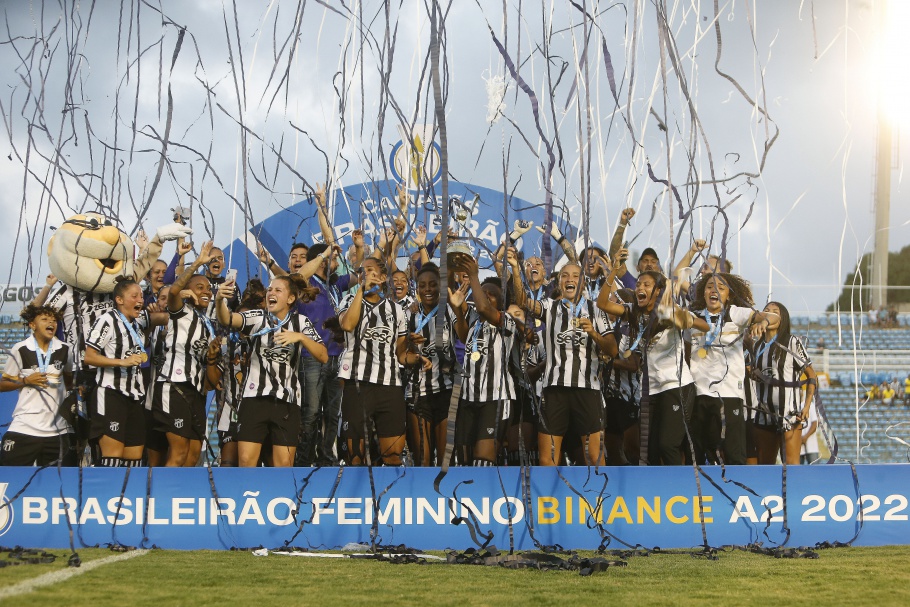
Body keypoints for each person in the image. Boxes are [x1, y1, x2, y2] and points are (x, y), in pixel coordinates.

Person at [214, 274, 327, 467]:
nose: (271, 293)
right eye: (270, 289)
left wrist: (300, 338)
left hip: (288, 402)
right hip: (254, 398)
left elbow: (323, 355)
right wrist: (219, 300)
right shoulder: (258, 317)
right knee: (246, 462)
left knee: (283, 465)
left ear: (291, 299)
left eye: (277, 290)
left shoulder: (301, 322)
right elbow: (228, 319)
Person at [598, 269, 708, 465]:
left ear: (658, 291)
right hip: (650, 390)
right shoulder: (634, 312)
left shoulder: (669, 311)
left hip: (677, 386)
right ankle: (656, 492)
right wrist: (613, 272)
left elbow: (705, 325)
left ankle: (678, 489)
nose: (640, 287)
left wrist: (687, 319)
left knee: (668, 445)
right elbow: (602, 304)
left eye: (646, 285)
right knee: (651, 450)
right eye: (638, 284)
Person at [521, 259, 615, 467]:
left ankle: (601, 499)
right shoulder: (549, 307)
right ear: (559, 283)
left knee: (594, 456)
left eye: (575, 275)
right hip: (554, 390)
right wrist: (512, 267)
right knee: (547, 458)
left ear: (582, 282)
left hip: (587, 390)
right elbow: (522, 300)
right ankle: (548, 500)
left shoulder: (596, 310)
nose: (570, 279)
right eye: (565, 276)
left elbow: (613, 349)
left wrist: (593, 333)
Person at [686, 273, 777, 465]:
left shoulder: (736, 313)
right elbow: (686, 353)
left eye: (721, 287)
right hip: (698, 392)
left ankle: (736, 494)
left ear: (729, 295)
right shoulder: (693, 318)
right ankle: (701, 493)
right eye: (710, 286)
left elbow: (773, 317)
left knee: (733, 452)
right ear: (703, 292)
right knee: (701, 452)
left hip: (728, 393)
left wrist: (763, 322)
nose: (715, 290)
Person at [337, 257, 414, 466]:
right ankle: (357, 498)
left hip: (390, 385)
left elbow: (400, 353)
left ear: (382, 278)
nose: (366, 274)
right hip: (357, 383)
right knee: (355, 455)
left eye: (371, 271)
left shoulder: (396, 310)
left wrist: (416, 357)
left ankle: (390, 497)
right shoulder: (348, 301)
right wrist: (360, 290)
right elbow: (347, 325)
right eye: (363, 271)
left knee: (393, 454)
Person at [84, 279, 169, 467]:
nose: (140, 299)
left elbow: (167, 317)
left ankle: (129, 496)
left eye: (141, 296)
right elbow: (89, 357)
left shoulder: (138, 322)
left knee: (134, 461)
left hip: (134, 398)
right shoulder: (107, 319)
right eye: (135, 296)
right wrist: (122, 362)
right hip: (111, 393)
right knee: (112, 459)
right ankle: (107, 496)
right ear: (119, 300)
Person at [153, 242, 222, 467]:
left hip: (197, 393)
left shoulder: (208, 326)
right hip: (174, 385)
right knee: (179, 451)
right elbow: (173, 291)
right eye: (200, 287)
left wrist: (212, 356)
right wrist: (197, 264)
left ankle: (182, 499)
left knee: (193, 455)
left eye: (209, 290)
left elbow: (212, 382)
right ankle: (161, 500)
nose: (206, 292)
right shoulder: (180, 312)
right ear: (189, 290)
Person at [401, 263, 464, 465]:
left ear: (440, 286)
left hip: (447, 392)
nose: (427, 289)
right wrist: (412, 347)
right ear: (417, 288)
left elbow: (464, 334)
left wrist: (458, 308)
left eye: (432, 284)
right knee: (423, 460)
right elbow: (400, 355)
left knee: (447, 461)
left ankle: (448, 497)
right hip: (417, 393)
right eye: (422, 285)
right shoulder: (407, 314)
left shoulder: (449, 311)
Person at [0, 305, 76, 466]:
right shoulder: (20, 349)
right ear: (32, 325)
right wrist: (26, 381)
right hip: (25, 426)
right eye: (45, 319)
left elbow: (69, 380)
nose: (51, 323)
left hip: (58, 429)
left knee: (61, 483)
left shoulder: (65, 349)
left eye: (54, 320)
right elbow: (3, 384)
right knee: (10, 477)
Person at [748, 301, 817, 465]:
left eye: (775, 311)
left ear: (782, 318)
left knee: (792, 465)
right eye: (766, 311)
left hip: (789, 414)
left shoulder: (792, 342)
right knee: (766, 466)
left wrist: (806, 407)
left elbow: (811, 374)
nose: (770, 314)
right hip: (764, 413)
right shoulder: (756, 346)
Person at [800, 400, 819, 464]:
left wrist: (805, 437)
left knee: (815, 470)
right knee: (797, 470)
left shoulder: (810, 405)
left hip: (811, 445)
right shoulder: (792, 406)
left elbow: (815, 423)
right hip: (798, 445)